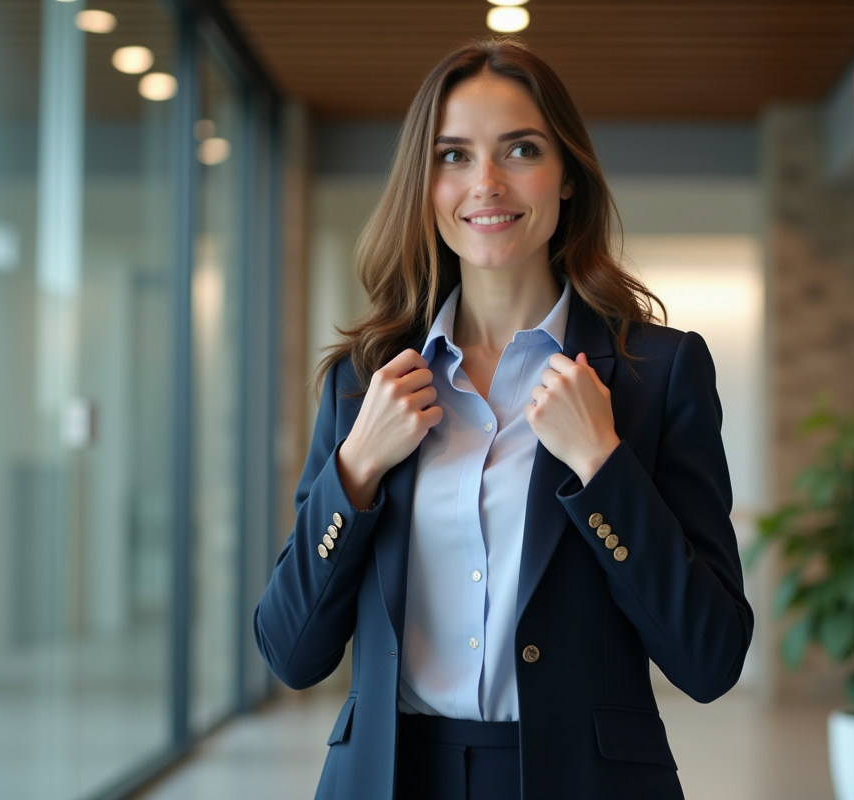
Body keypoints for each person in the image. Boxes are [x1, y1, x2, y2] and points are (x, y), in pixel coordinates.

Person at [254, 37, 753, 800]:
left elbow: (710, 660)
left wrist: (603, 467)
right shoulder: (365, 386)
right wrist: (354, 472)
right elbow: (291, 652)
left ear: (567, 181)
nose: (485, 183)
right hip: (390, 777)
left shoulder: (660, 374)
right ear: (424, 187)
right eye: (452, 156)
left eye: (519, 149)